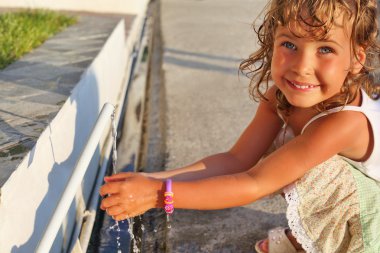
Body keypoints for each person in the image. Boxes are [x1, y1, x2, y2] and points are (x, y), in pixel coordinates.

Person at [99, 0, 380, 252]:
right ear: (273, 41)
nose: (302, 67)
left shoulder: (345, 121)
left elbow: (255, 182)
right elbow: (236, 160)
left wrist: (160, 196)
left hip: (374, 224)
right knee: (287, 156)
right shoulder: (279, 98)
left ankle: (336, 244)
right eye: (290, 45)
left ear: (357, 59)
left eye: (326, 49)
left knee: (310, 168)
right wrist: (154, 180)